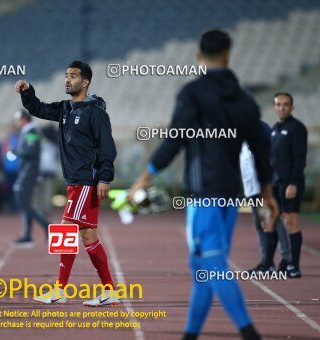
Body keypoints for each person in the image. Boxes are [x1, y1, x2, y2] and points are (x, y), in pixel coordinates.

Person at [128, 30, 279, 339]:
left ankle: (250, 333)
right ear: (228, 56)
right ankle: (190, 335)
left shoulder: (192, 94)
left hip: (203, 195)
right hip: (230, 194)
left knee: (211, 263)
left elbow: (173, 141)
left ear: (199, 57)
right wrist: (266, 191)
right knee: (202, 268)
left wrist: (143, 178)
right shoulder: (244, 99)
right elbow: (261, 147)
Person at [15, 60, 119, 306]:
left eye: (73, 76)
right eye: (66, 75)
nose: (67, 79)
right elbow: (38, 108)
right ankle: (110, 292)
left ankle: (60, 290)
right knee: (89, 236)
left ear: (85, 82)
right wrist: (27, 90)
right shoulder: (65, 109)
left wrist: (105, 177)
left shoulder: (95, 112)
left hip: (86, 181)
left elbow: (107, 147)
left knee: (65, 230)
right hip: (74, 181)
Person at [266, 92, 307, 278]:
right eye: (278, 104)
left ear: (292, 107)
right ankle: (271, 262)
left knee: (291, 222)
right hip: (274, 183)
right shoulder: (274, 128)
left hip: (289, 183)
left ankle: (294, 266)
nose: (282, 107)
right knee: (269, 220)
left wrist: (293, 183)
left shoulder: (297, 128)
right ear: (274, 107)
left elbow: (300, 159)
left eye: (286, 104)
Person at [240, 122, 291, 274]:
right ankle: (266, 262)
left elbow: (274, 152)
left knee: (272, 220)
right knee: (261, 222)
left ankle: (285, 259)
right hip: (251, 186)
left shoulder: (260, 128)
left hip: (264, 184)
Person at [12, 109, 50, 247]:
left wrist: (16, 151)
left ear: (24, 119)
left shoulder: (32, 131)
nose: (16, 122)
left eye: (18, 119)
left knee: (23, 201)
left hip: (29, 171)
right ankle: (28, 234)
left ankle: (47, 226)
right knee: (24, 203)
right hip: (27, 171)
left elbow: (31, 150)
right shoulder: (28, 131)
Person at [34, 124, 59, 219]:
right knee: (46, 191)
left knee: (42, 191)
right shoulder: (54, 145)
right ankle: (43, 209)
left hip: (43, 170)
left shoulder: (43, 144)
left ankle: (41, 209)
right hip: (49, 170)